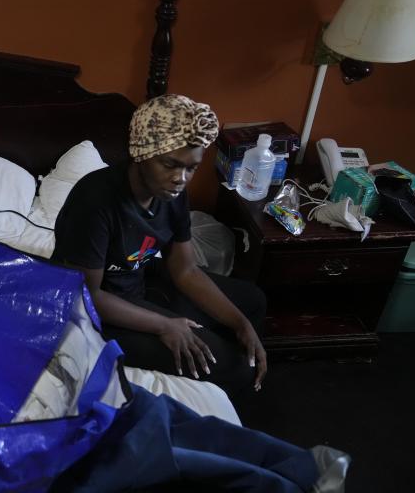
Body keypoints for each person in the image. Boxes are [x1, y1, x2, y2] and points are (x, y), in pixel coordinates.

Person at [51, 94, 267, 397]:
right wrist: (164, 325)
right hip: (98, 314)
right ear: (140, 153)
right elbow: (87, 296)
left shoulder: (172, 193)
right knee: (235, 367)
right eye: (169, 164)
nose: (180, 179)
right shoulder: (95, 200)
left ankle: (230, 361)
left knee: (252, 302)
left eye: (191, 168)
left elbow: (186, 270)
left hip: (138, 281)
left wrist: (240, 323)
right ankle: (231, 385)